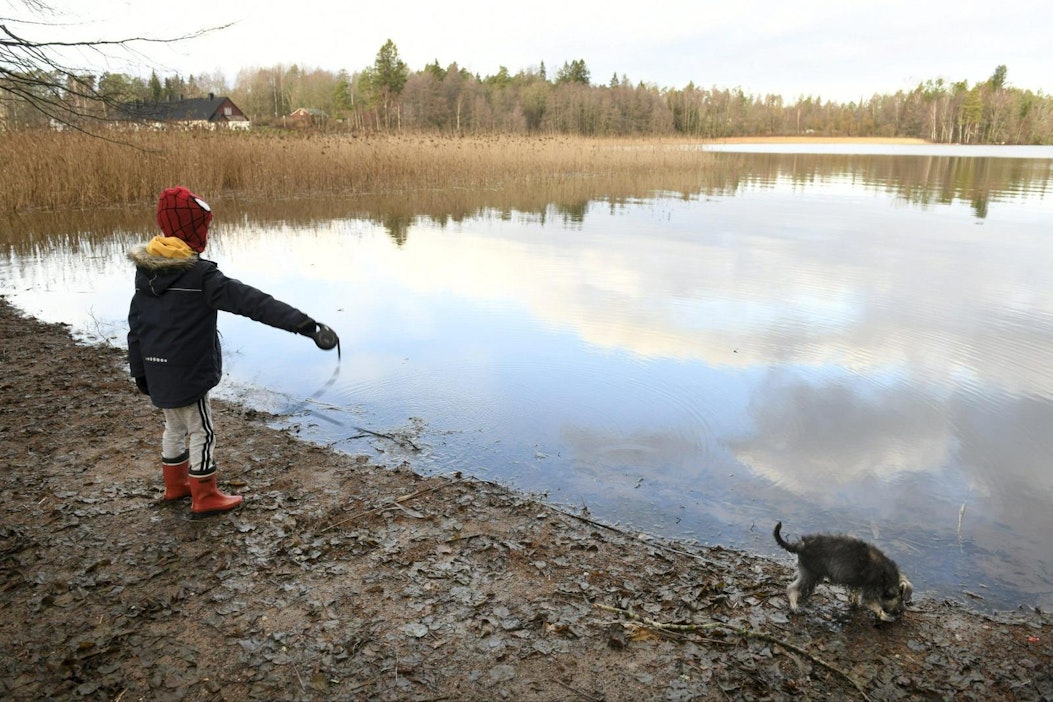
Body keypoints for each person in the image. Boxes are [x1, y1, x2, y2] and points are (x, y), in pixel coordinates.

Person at [127, 186, 338, 517]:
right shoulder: (200, 277)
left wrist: (140, 371)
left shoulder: (147, 272)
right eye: (205, 227)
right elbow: (255, 303)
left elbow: (136, 327)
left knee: (174, 427)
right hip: (188, 373)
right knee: (202, 430)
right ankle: (205, 494)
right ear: (193, 230)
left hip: (157, 372)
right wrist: (307, 326)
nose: (207, 233)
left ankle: (176, 486)